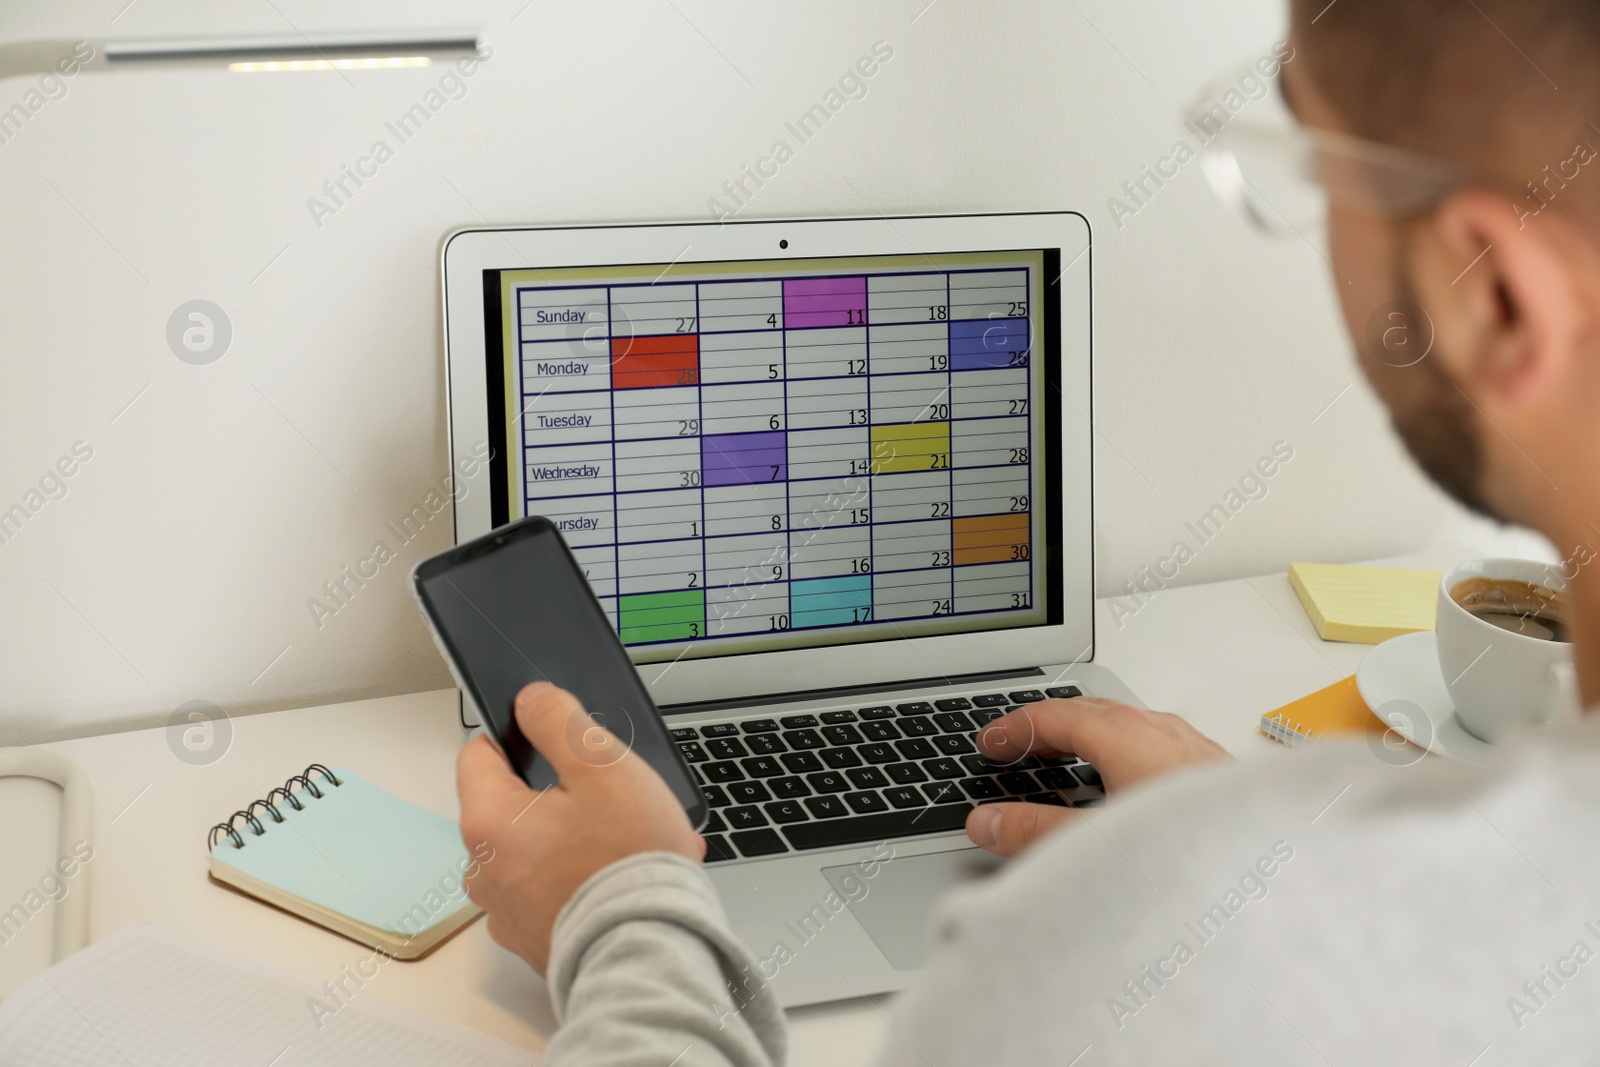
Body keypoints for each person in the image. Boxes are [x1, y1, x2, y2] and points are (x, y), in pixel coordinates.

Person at [456, 1, 1600, 1061]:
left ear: (1496, 297)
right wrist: (1233, 846)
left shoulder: (1102, 972)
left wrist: (616, 906)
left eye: (1308, 166)